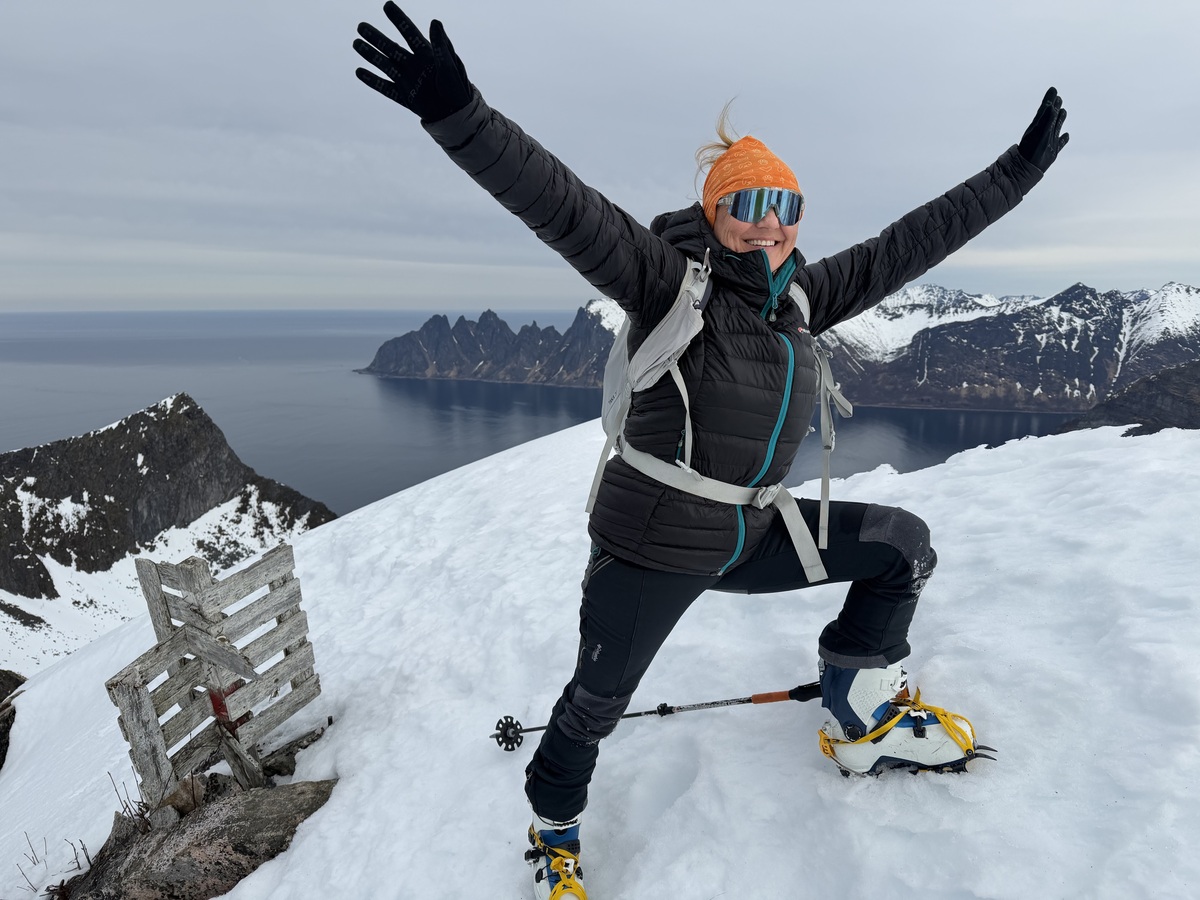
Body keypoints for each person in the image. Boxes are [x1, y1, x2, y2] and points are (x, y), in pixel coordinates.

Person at [353, 5, 1069, 898]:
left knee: (901, 545)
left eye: (786, 208)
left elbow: (911, 243)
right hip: (653, 545)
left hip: (751, 533)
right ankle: (553, 831)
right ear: (714, 212)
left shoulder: (799, 299)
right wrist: (458, 114)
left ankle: (859, 713)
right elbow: (561, 206)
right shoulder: (665, 282)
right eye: (748, 206)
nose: (769, 226)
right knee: (594, 704)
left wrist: (1018, 172)